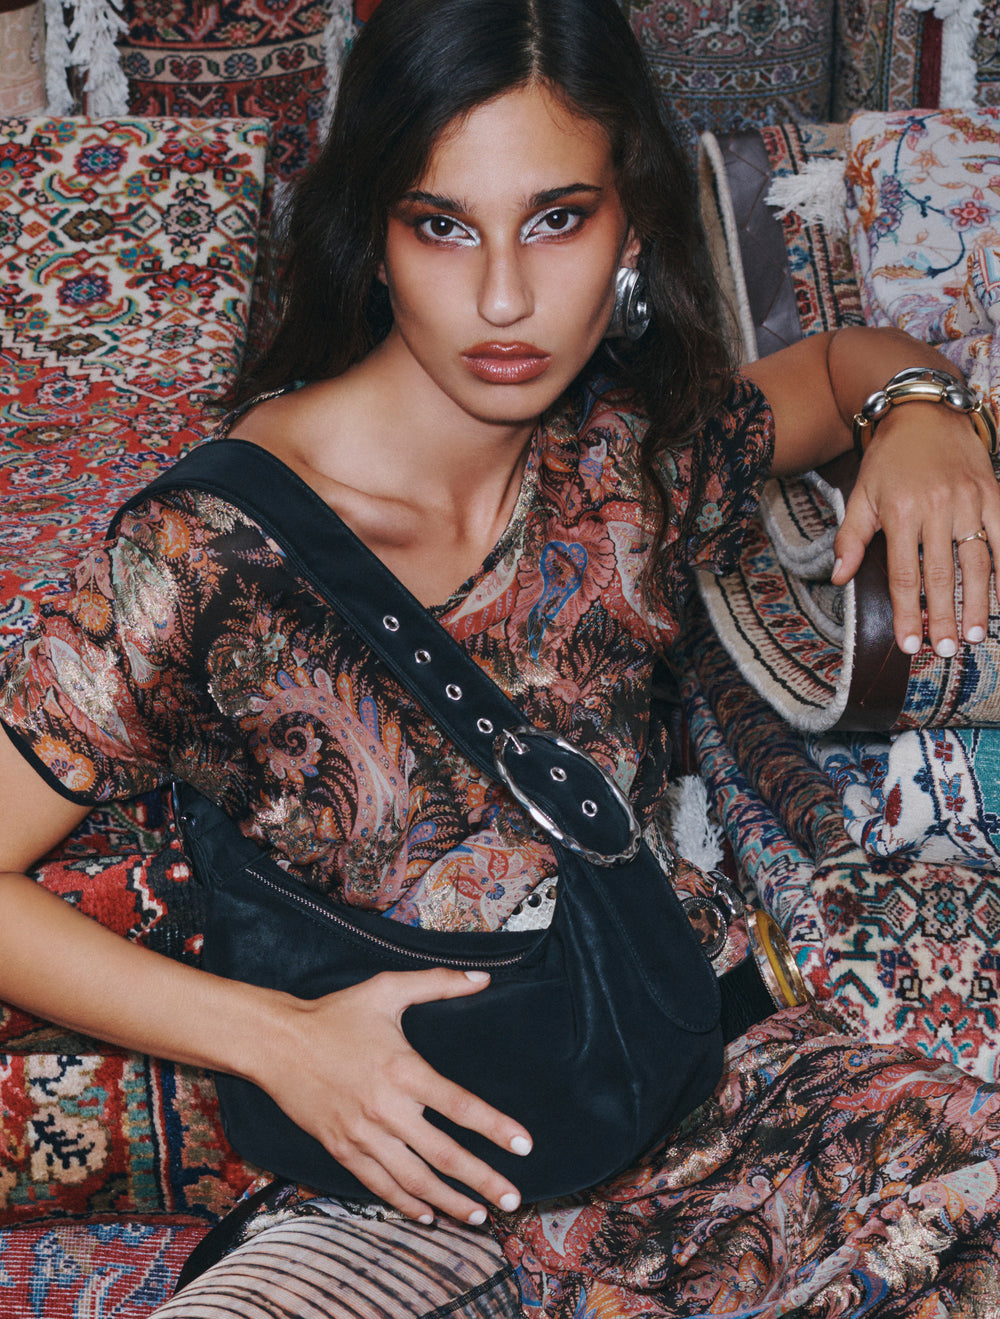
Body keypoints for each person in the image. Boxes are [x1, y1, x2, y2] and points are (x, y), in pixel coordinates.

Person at [3, 0, 1000, 1314]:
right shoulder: (209, 550)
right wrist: (280, 1042)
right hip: (402, 1186)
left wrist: (920, 409)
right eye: (442, 226)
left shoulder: (633, 457)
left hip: (709, 1101)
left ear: (631, 228)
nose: (503, 298)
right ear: (374, 236)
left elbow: (833, 370)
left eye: (556, 218)